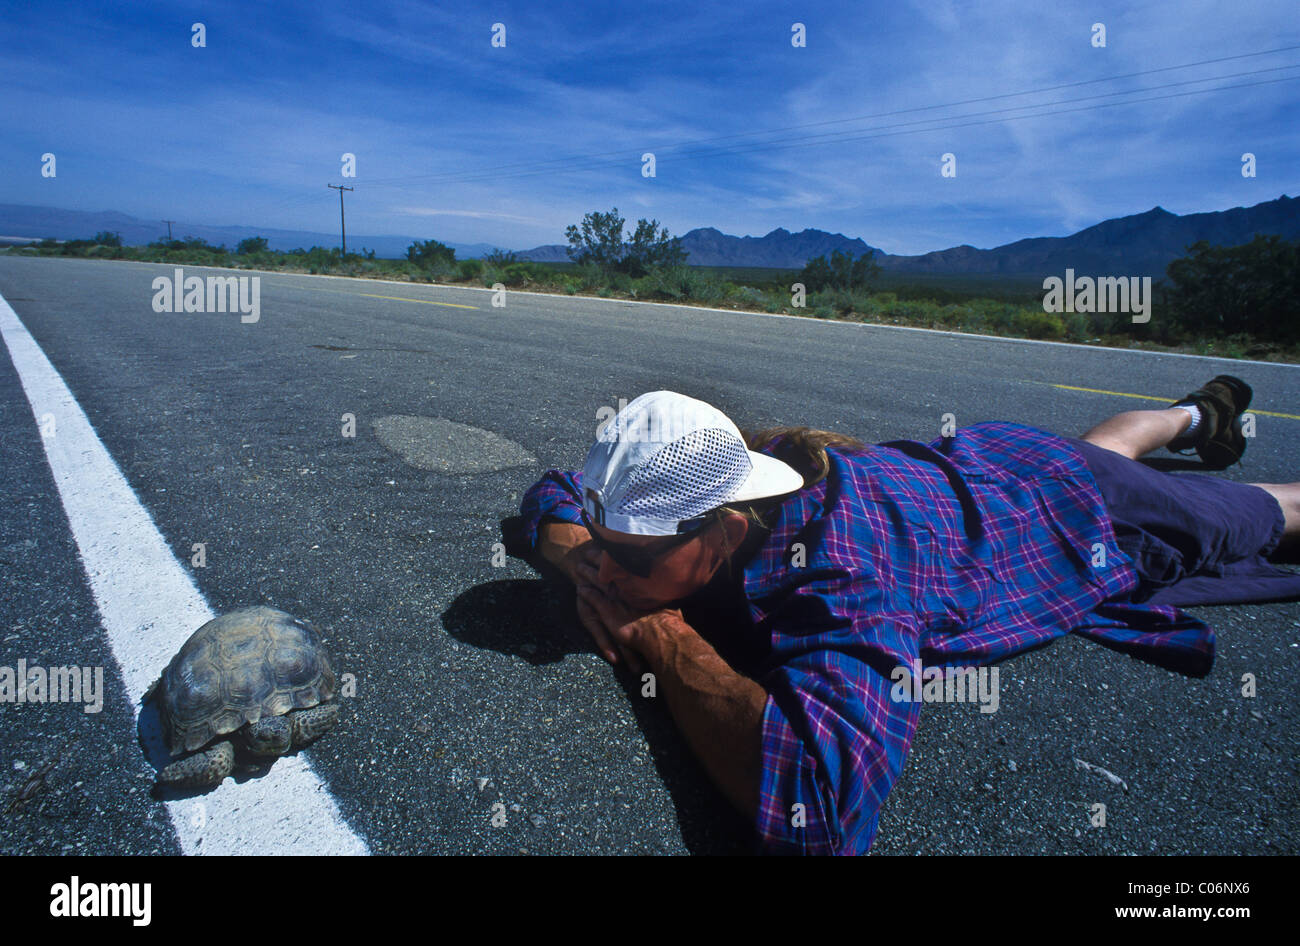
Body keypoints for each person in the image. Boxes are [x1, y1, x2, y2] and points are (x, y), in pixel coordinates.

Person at [498, 379, 1300, 854]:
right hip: (997, 459)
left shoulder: (849, 575)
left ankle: (1198, 427)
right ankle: (1197, 414)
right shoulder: (724, 467)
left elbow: (820, 806)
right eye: (603, 546)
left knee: (1263, 516)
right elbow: (555, 493)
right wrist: (581, 556)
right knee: (1103, 448)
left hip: (1076, 510)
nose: (606, 570)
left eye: (629, 560)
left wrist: (663, 636)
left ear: (728, 528)